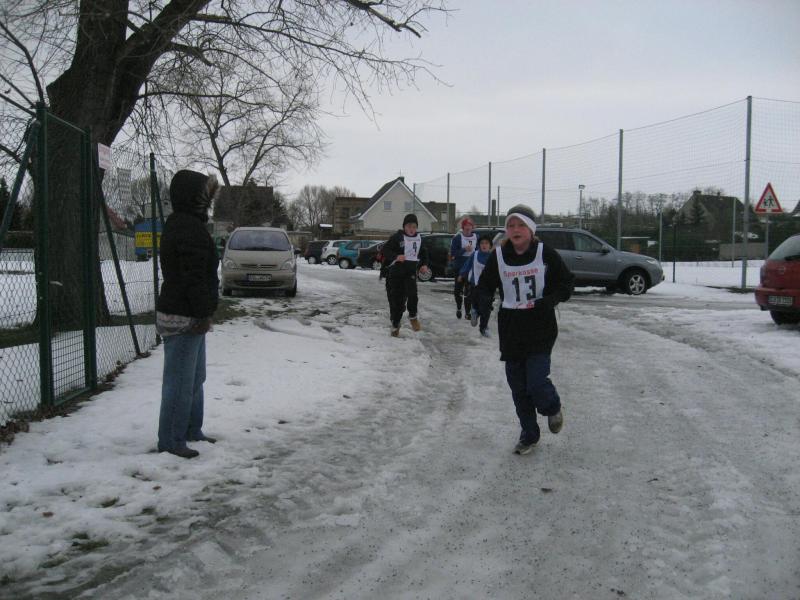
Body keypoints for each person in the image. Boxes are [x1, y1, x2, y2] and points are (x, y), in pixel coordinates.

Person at [475, 204, 574, 455]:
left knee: (536, 382)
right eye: (511, 225)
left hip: (540, 325)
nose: (515, 229)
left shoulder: (544, 253)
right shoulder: (498, 256)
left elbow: (566, 284)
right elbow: (485, 286)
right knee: (518, 387)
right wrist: (479, 305)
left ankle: (552, 407)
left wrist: (549, 300)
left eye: (521, 225)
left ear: (531, 229)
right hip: (511, 328)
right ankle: (529, 434)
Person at [156, 169, 221, 459]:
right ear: (193, 197)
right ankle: (171, 440)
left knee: (194, 378)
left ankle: (192, 429)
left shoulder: (187, 224)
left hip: (189, 313)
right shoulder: (187, 228)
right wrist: (203, 313)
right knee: (180, 383)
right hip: (184, 316)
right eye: (205, 195)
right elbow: (192, 276)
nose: (208, 201)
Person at [382, 213, 431, 337]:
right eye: (409, 226)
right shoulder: (397, 237)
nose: (411, 229)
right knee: (398, 302)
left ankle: (413, 316)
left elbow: (424, 254)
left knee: (413, 295)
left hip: (410, 272)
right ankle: (395, 324)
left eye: (414, 227)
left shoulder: (419, 239)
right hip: (396, 273)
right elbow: (385, 250)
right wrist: (396, 256)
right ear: (404, 226)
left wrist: (424, 265)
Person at [459, 233, 495, 337]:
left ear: (490, 245)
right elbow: (467, 265)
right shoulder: (474, 255)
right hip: (475, 284)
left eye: (486, 243)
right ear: (479, 245)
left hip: (488, 286)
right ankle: (475, 312)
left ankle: (483, 328)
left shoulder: (493, 257)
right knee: (477, 304)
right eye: (482, 243)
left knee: (486, 307)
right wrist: (461, 274)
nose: (484, 245)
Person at [449, 216, 477, 319]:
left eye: (470, 225)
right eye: (466, 225)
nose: (468, 227)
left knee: (469, 291)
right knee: (458, 291)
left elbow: (479, 251)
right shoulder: (457, 238)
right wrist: (464, 249)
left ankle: (467, 312)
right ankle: (459, 308)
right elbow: (453, 254)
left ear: (472, 227)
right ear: (463, 227)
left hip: (471, 268)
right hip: (459, 268)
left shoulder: (476, 237)